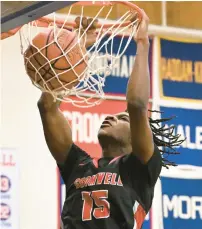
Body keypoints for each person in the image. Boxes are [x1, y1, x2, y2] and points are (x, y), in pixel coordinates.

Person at [37, 11, 183, 229]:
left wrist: (142, 42)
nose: (111, 117)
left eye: (122, 118)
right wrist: (77, 48)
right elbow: (47, 106)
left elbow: (136, 105)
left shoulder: (140, 168)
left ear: (138, 137)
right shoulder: (78, 165)